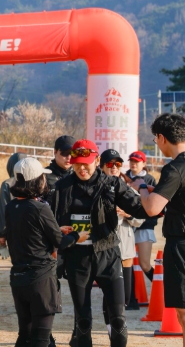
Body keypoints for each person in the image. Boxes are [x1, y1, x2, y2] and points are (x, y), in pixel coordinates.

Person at [54, 139, 151, 347]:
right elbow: (49, 221)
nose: (82, 168)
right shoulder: (62, 187)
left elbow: (139, 208)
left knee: (118, 317)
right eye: (77, 164)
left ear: (97, 161)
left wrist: (161, 203)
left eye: (86, 163)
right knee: (83, 319)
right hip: (77, 259)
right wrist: (58, 232)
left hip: (108, 255)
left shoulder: (112, 184)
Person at [136, 113, 185, 347]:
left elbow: (151, 208)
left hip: (182, 247)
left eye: (156, 139)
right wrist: (158, 192)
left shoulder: (175, 168)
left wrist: (142, 188)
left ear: (161, 137)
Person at [2, 157, 88, 347]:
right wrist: (77, 236)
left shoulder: (11, 207)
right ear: (37, 181)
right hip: (40, 278)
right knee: (41, 337)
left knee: (25, 335)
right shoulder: (40, 208)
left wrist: (55, 228)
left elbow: (28, 232)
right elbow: (60, 242)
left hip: (18, 277)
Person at [99, 149, 144, 317]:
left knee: (124, 295)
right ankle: (111, 326)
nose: (114, 167)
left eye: (118, 164)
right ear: (101, 166)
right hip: (104, 246)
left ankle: (117, 323)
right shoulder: (94, 189)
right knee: (109, 292)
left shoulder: (128, 189)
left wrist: (128, 214)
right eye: (110, 164)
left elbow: (140, 218)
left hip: (125, 247)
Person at [124, 150, 158, 282]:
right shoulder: (123, 177)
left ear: (143, 163)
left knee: (144, 264)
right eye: (132, 161)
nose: (133, 164)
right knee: (126, 264)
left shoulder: (150, 179)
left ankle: (161, 287)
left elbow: (155, 203)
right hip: (126, 225)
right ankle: (131, 295)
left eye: (137, 162)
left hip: (144, 225)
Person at [0, 152, 28, 259]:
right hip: (34, 230)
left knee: (18, 262)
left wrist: (1, 234)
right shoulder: (35, 181)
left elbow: (3, 210)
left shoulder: (7, 184)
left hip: (14, 231)